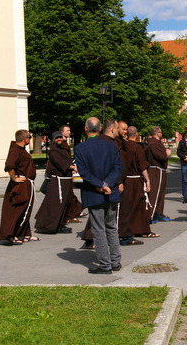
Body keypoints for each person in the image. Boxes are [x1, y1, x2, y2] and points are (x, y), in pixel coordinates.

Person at [75, 117, 123, 274]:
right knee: (111, 227)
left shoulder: (81, 148)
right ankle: (115, 261)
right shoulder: (111, 145)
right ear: (100, 128)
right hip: (110, 191)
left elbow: (84, 173)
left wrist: (100, 185)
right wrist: (107, 184)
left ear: (86, 129)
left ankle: (105, 265)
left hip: (94, 192)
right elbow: (117, 168)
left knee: (99, 230)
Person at [0, 129, 38, 245]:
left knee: (26, 209)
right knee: (16, 210)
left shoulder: (21, 150)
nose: (30, 139)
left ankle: (25, 234)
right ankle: (11, 235)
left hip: (27, 184)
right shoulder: (15, 151)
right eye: (29, 137)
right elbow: (9, 166)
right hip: (20, 185)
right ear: (24, 138)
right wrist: (14, 178)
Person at [34, 131, 76, 234]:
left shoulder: (62, 149)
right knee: (57, 204)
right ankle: (49, 225)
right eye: (57, 138)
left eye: (60, 138)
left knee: (65, 203)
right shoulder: (53, 151)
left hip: (66, 181)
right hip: (59, 182)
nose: (59, 139)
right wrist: (72, 167)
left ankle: (60, 224)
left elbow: (67, 161)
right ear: (53, 139)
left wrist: (71, 168)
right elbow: (60, 162)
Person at [121, 125, 155, 243]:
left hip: (125, 180)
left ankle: (127, 228)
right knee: (140, 205)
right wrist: (148, 180)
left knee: (128, 206)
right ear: (136, 135)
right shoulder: (137, 147)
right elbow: (142, 165)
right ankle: (142, 230)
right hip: (136, 180)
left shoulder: (122, 146)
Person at [145, 126, 172, 223]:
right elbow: (160, 156)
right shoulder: (153, 144)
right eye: (160, 132)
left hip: (160, 170)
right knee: (155, 194)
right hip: (156, 170)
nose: (161, 133)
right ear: (157, 133)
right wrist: (167, 154)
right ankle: (151, 215)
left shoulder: (155, 143)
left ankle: (158, 213)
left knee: (161, 193)